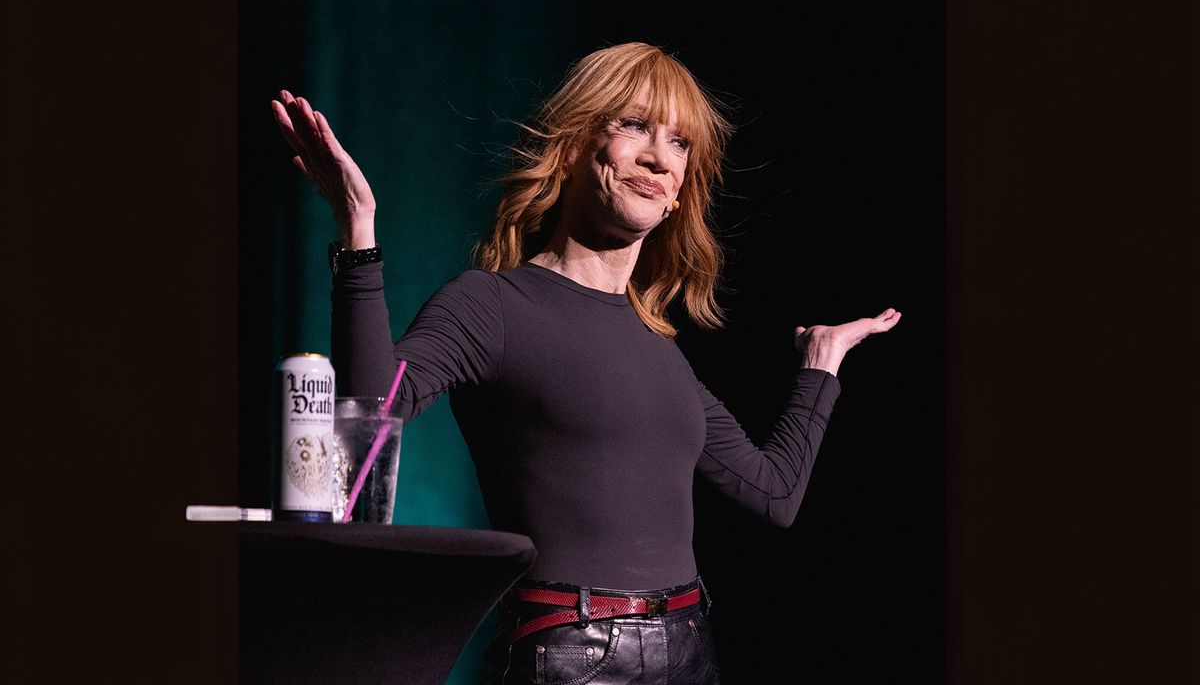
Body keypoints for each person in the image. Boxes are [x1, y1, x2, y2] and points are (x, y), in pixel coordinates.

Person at [271, 41, 900, 685]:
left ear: (680, 195)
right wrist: (359, 230)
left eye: (679, 144)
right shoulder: (492, 305)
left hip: (693, 651)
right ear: (574, 145)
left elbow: (774, 494)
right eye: (633, 125)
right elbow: (370, 419)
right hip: (570, 657)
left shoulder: (661, 350)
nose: (658, 156)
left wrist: (822, 363)